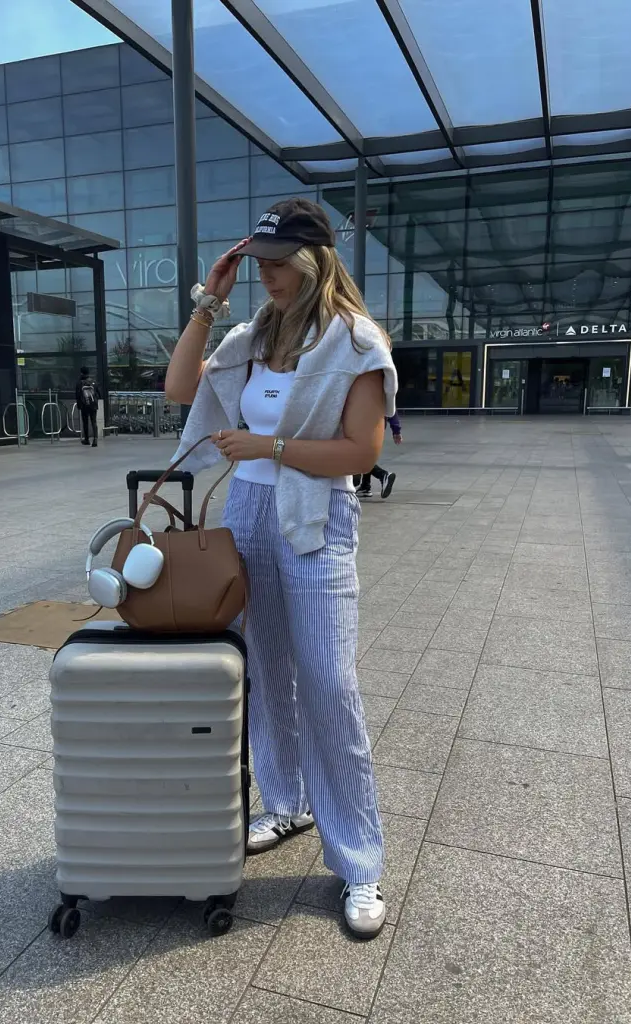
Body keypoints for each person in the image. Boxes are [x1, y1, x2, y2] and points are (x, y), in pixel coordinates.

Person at [166, 197, 398, 939]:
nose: (266, 274)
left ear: (313, 260)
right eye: (257, 262)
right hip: (247, 519)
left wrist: (264, 448)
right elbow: (179, 389)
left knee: (329, 682)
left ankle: (359, 863)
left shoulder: (354, 341)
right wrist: (210, 297)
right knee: (262, 669)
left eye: (277, 262)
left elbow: (361, 454)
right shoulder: (247, 334)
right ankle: (287, 802)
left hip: (316, 518)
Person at [353, 414, 402, 499]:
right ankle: (365, 486)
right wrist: (396, 429)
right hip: (378, 426)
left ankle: (383, 475)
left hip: (363, 423)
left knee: (357, 455)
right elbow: (391, 408)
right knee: (366, 454)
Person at [75, 366, 101, 447]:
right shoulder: (93, 381)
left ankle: (86, 439)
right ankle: (95, 439)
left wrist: (79, 405)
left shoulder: (80, 382)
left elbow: (77, 395)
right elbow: (99, 394)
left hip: (84, 405)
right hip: (93, 405)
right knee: (94, 421)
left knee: (85, 422)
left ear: (81, 372)